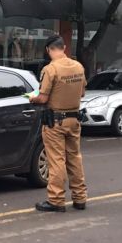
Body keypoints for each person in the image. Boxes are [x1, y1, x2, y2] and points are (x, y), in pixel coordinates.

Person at [29, 35, 87, 212]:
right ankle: (80, 198)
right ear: (64, 47)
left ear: (48, 49)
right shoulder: (78, 66)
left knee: (56, 160)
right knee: (74, 159)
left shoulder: (51, 69)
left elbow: (43, 97)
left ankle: (56, 200)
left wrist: (32, 98)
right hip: (74, 119)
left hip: (55, 121)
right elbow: (82, 93)